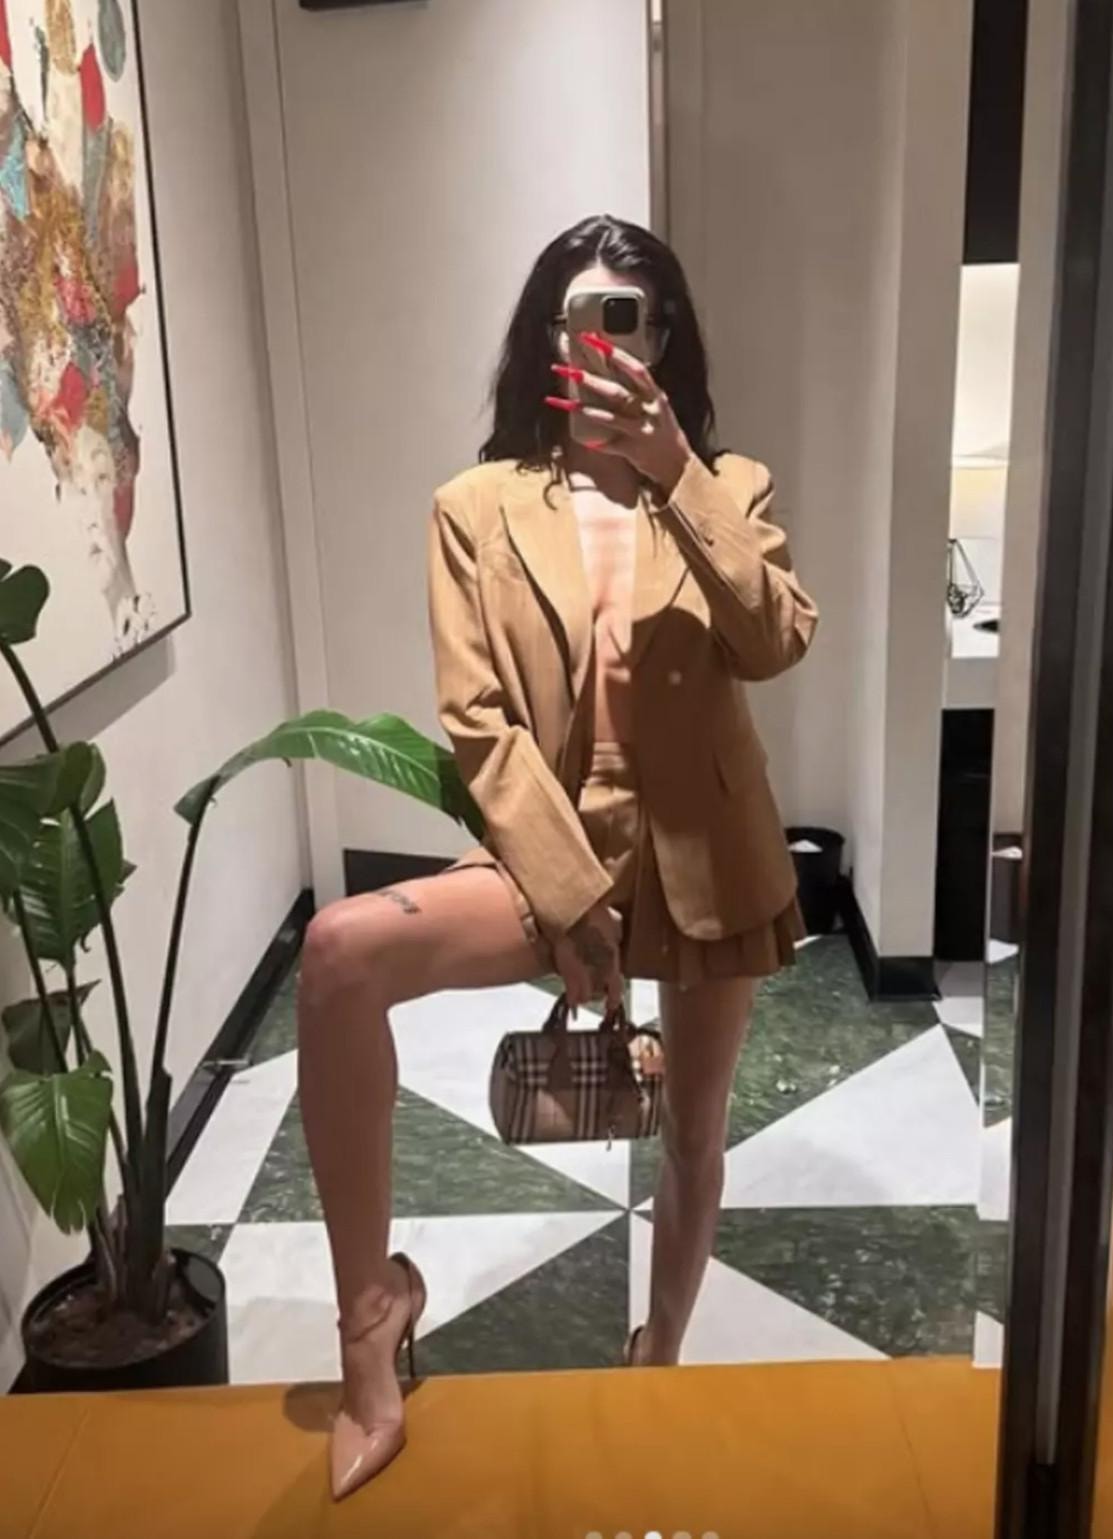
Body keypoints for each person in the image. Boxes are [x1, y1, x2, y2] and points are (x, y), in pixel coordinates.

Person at [297, 214, 818, 1500]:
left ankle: (660, 1358)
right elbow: (478, 721)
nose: (606, 341)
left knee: (693, 1132)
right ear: (547, 339)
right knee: (340, 954)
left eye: (631, 318)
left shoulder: (730, 485)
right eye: (582, 316)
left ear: (666, 339)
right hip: (551, 843)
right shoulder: (474, 508)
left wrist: (675, 471)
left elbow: (775, 640)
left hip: (704, 851)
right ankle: (371, 1324)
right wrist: (574, 901)